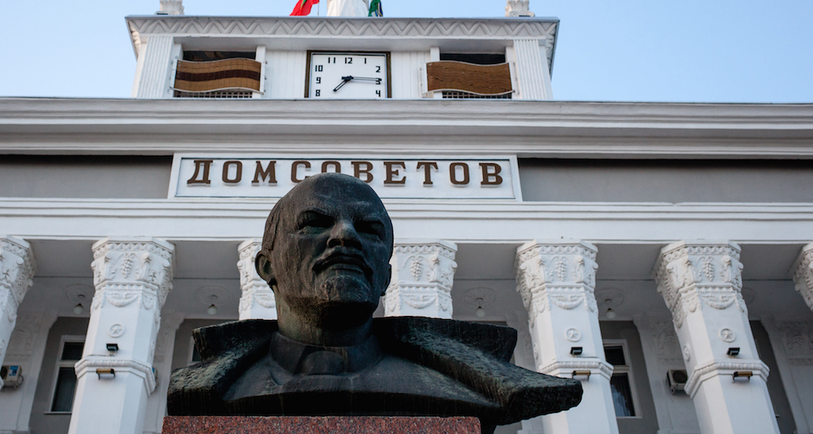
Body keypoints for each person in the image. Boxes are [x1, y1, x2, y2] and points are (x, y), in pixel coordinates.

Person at [168, 173, 581, 432]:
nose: (345, 235)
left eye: (369, 229)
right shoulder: (208, 387)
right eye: (315, 222)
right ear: (266, 266)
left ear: (384, 274)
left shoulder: (462, 386)